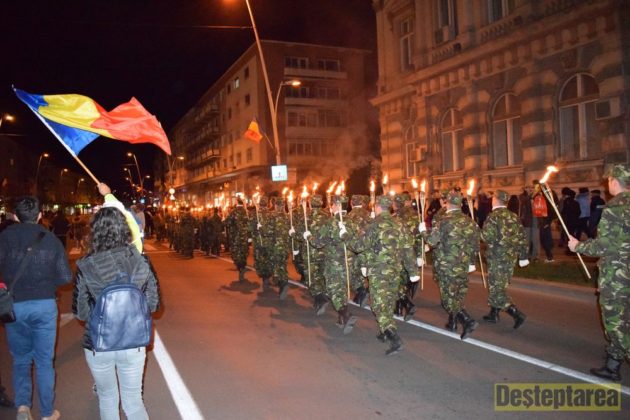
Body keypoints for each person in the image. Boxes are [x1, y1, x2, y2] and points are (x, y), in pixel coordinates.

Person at [73, 197, 160, 419]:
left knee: (107, 398)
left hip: (98, 343)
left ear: (95, 232)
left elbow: (81, 313)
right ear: (124, 228)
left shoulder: (85, 265)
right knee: (134, 402)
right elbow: (153, 304)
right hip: (133, 341)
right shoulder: (141, 261)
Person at [0, 196, 72, 420]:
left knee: (21, 359)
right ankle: (47, 413)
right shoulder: (50, 239)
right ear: (40, 215)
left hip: (14, 306)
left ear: (15, 216)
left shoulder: (5, 238)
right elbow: (65, 277)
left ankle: (23, 406)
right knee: (44, 361)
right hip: (44, 305)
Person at [568, 163, 630, 382]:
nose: (607, 184)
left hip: (618, 276)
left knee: (615, 324)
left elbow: (605, 245)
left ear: (614, 181)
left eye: (608, 180)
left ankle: (617, 358)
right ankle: (612, 366)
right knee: (625, 320)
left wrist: (578, 246)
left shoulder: (615, 208)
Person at [342, 195, 419, 355]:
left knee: (378, 305)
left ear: (377, 207)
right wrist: (413, 271)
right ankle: (384, 332)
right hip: (395, 270)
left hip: (378, 272)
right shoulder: (399, 224)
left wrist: (344, 235)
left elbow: (358, 246)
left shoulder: (373, 225)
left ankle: (393, 337)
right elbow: (407, 249)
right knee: (389, 301)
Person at [421, 190, 480, 339]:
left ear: (447, 203)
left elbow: (432, 241)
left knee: (448, 299)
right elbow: (475, 244)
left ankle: (466, 320)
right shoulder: (470, 222)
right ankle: (452, 322)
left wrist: (423, 231)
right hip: (463, 264)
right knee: (458, 294)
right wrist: (471, 262)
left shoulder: (443, 221)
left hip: (447, 265)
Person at [480, 190, 528, 328]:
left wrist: (478, 232)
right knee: (498, 286)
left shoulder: (493, 216)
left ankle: (516, 313)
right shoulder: (513, 216)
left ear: (496, 200)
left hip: (497, 258)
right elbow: (522, 237)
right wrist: (523, 256)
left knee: (497, 289)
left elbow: (486, 237)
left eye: (493, 198)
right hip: (510, 257)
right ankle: (494, 314)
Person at [225, 199, 250, 282]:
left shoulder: (233, 212)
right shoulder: (247, 212)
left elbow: (227, 223)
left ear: (237, 203)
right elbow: (250, 224)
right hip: (245, 237)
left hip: (236, 238)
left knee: (235, 254)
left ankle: (240, 267)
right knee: (244, 253)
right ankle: (242, 266)